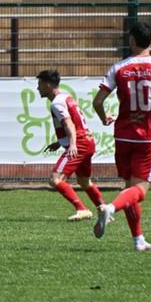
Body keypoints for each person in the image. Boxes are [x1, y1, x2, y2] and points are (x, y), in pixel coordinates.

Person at [92, 21, 151, 251]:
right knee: (140, 191)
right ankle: (111, 208)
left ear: (131, 40)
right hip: (148, 137)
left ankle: (138, 239)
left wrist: (102, 118)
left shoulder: (119, 68)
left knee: (129, 187)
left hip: (123, 136)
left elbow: (97, 101)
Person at [36, 69, 104, 221]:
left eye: (39, 84)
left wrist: (72, 144)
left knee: (55, 179)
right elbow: (75, 122)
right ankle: (103, 209)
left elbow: (69, 124)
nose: (37, 88)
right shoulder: (66, 97)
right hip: (87, 141)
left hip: (79, 142)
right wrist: (60, 142)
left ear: (47, 85)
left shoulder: (56, 103)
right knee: (84, 181)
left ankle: (82, 209)